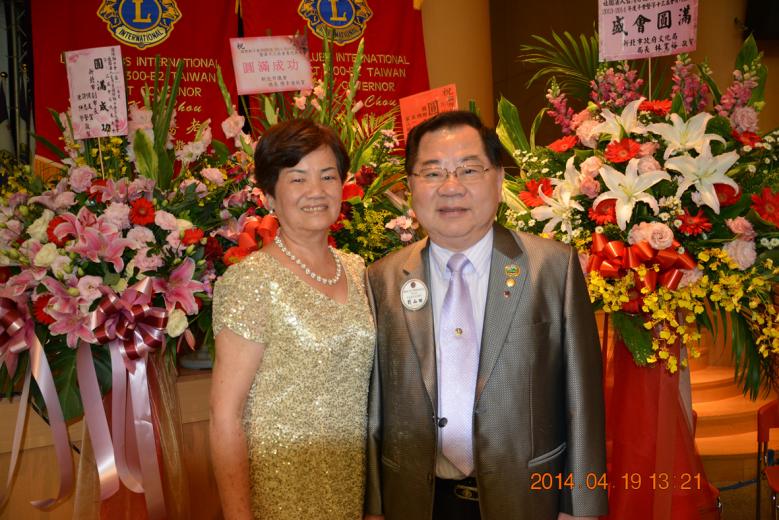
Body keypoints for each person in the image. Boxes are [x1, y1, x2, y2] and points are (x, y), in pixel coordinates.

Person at [364, 111, 607, 520]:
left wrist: (581, 506)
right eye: (432, 173)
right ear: (411, 187)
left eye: (469, 169)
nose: (451, 187)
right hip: (416, 501)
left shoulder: (552, 268)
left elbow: (583, 401)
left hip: (529, 499)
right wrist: (374, 507)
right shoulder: (382, 279)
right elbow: (374, 408)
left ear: (497, 181)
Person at [210, 119, 375, 519]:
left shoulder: (357, 269)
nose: (316, 191)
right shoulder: (252, 280)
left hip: (349, 485)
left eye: (327, 176)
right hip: (281, 492)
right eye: (298, 179)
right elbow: (224, 417)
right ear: (269, 196)